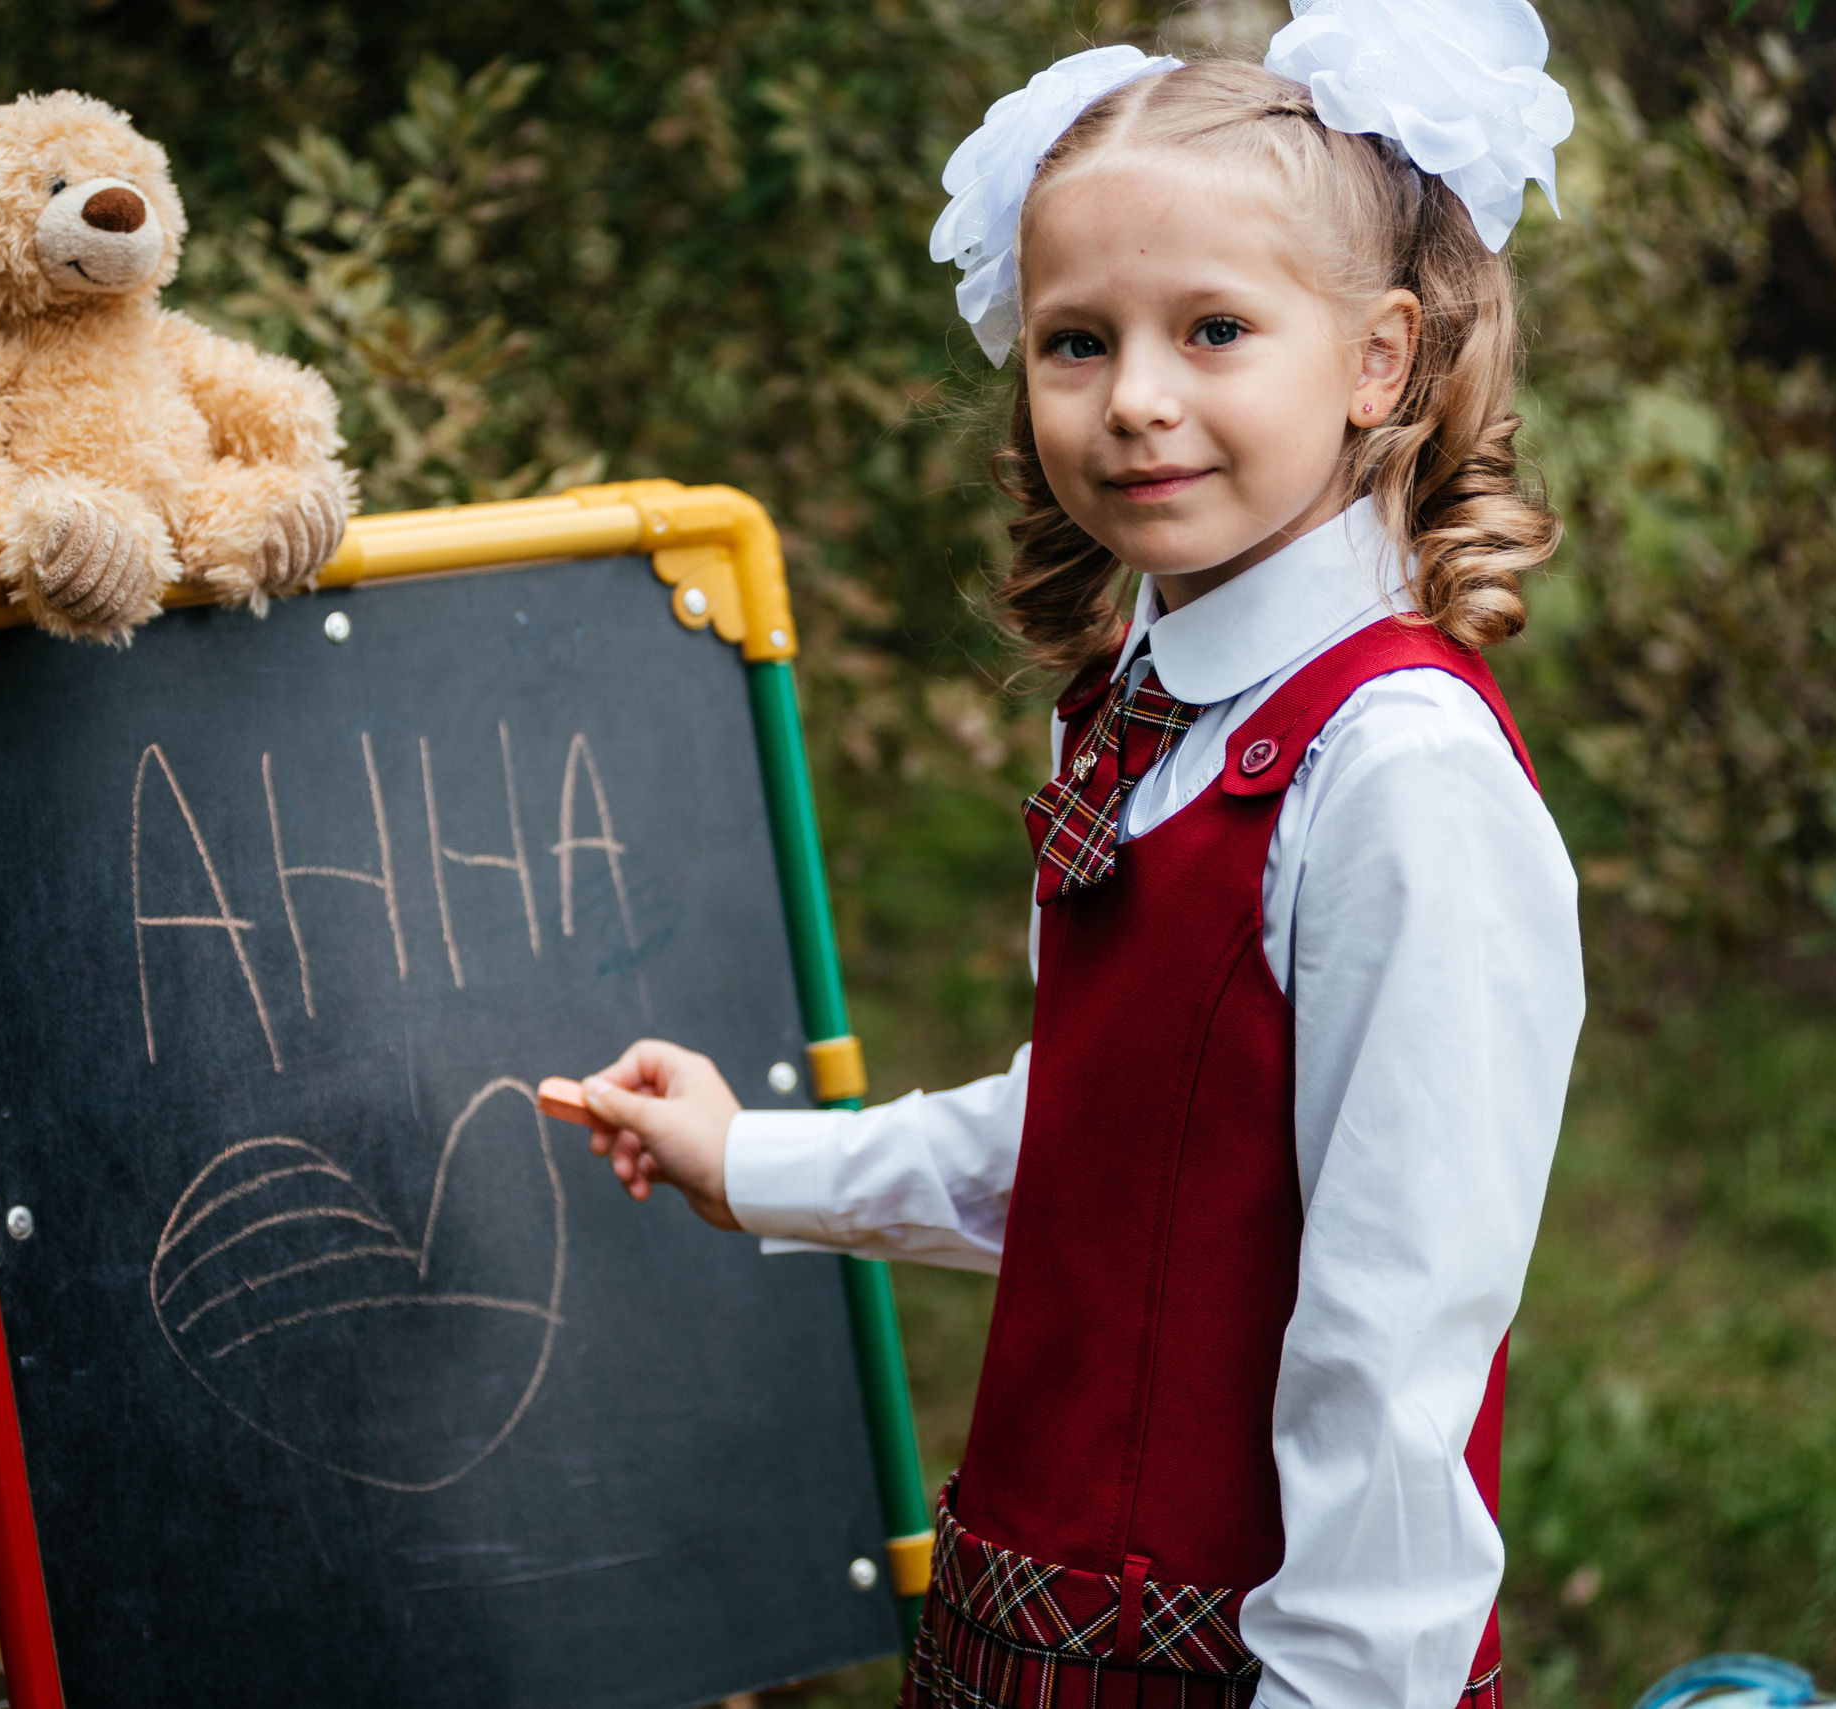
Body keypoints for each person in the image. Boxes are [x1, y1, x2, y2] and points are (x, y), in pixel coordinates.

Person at [576, 5, 1584, 1705]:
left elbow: (1396, 1353)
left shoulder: (1397, 768)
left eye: (1213, 329)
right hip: (1025, 1624)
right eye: (1074, 341)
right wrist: (750, 1158)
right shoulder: (1131, 702)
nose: (1136, 403)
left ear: (1378, 360)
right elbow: (1110, 1144)